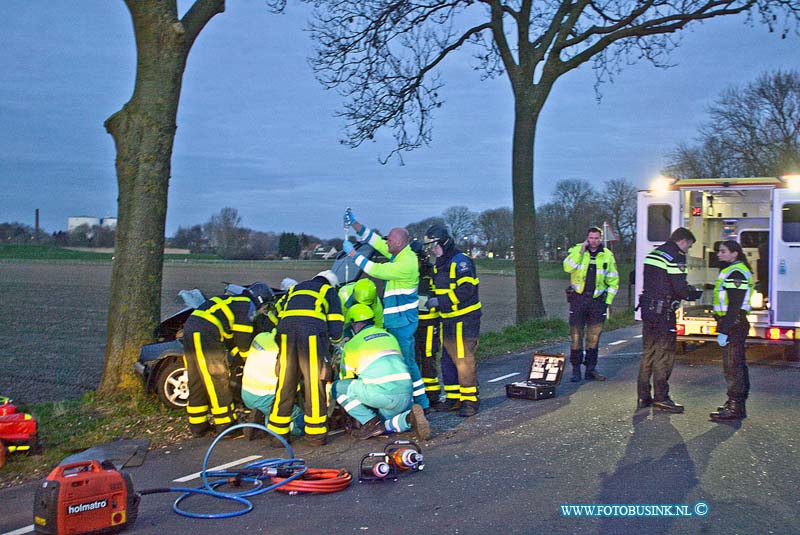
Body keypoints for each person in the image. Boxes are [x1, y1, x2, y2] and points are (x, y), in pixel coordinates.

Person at [341, 209, 429, 411]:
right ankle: (417, 400)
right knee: (404, 361)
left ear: (398, 243)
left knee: (405, 361)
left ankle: (418, 403)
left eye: (389, 241)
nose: (386, 243)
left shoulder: (406, 263)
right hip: (398, 320)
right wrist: (355, 224)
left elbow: (376, 270)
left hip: (402, 321)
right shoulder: (399, 254)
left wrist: (353, 254)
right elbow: (375, 241)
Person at [182, 282, 275, 438]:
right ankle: (226, 426)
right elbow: (243, 340)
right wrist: (250, 362)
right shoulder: (247, 307)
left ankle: (198, 426)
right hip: (206, 332)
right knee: (217, 380)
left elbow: (231, 340)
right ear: (260, 300)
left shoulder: (236, 301)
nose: (263, 311)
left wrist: (237, 353)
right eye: (265, 307)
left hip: (193, 329)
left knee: (196, 380)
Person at [267, 270, 343, 446]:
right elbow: (336, 323)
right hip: (310, 335)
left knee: (285, 382)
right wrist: (334, 342)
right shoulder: (328, 291)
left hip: (285, 333)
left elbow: (278, 311)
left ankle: (277, 434)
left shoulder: (296, 288)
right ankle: (315, 435)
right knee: (314, 382)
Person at [332, 304, 430, 440]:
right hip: (405, 395)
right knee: (385, 423)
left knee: (337, 387)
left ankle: (369, 421)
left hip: (382, 396)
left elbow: (346, 379)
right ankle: (408, 419)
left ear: (355, 324)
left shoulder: (351, 345)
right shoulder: (389, 336)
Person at [637, 227, 703, 413]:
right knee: (664, 354)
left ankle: (643, 396)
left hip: (648, 309)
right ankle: (662, 397)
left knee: (648, 352)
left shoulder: (653, 254)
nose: (687, 250)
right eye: (688, 246)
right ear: (683, 241)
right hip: (664, 312)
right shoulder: (675, 256)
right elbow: (680, 287)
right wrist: (693, 294)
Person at [424, 224, 482, 417]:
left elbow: (466, 290)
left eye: (434, 245)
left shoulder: (461, 262)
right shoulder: (439, 264)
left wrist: (439, 301)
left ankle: (470, 400)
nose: (432, 249)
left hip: (465, 318)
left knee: (463, 359)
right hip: (447, 319)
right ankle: (453, 398)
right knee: (448, 359)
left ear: (444, 242)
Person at [563, 226, 620, 382]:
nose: (593, 241)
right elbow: (568, 267)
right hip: (578, 299)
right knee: (576, 336)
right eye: (591, 238)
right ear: (587, 238)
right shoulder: (576, 250)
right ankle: (575, 370)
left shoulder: (607, 255)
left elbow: (613, 281)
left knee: (594, 338)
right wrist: (581, 252)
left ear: (600, 239)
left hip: (597, 301)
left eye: (596, 238)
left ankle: (590, 369)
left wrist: (606, 302)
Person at [709, 240, 754, 421]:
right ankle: (735, 403)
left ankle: (735, 406)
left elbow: (734, 304)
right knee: (735, 365)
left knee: (733, 366)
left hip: (734, 324)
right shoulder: (732, 270)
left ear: (734, 253)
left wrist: (725, 330)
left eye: (723, 251)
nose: (719, 254)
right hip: (733, 323)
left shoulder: (736, 272)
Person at [241, 329, 304, 440]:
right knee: (301, 419)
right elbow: (292, 386)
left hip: (246, 393)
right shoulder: (287, 349)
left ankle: (263, 417)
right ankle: (271, 425)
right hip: (266, 398)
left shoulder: (260, 336)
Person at [411, 239, 443, 406]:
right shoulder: (408, 273)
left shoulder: (431, 273)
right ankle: (418, 393)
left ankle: (432, 394)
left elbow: (438, 293)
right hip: (411, 324)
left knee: (428, 357)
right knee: (413, 358)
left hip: (429, 323)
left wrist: (431, 300)